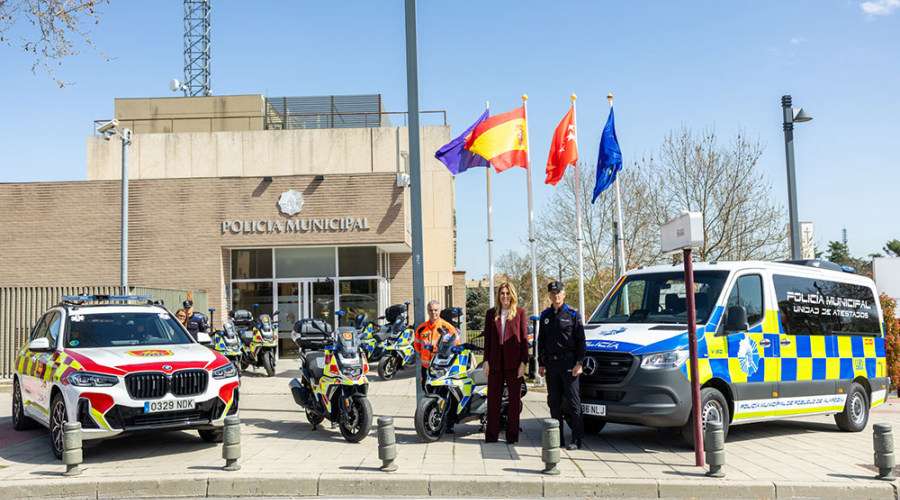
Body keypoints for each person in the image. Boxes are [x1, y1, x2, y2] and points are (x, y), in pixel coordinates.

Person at [538, 281, 586, 450]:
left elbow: (581, 340)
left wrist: (579, 363)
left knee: (573, 402)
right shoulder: (545, 316)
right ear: (549, 296)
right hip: (551, 363)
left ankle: (577, 439)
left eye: (558, 292)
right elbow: (541, 341)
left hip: (569, 362)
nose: (555, 295)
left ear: (564, 294)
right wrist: (541, 363)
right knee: (554, 402)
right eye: (552, 293)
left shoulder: (573, 314)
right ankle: (557, 438)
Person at [482, 282, 528, 444]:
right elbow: (487, 340)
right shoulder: (490, 314)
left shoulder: (520, 313)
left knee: (514, 401)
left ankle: (512, 436)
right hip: (494, 362)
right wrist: (485, 361)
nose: (505, 296)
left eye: (508, 293)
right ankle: (491, 435)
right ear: (498, 296)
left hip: (513, 363)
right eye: (502, 293)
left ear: (512, 295)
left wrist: (523, 363)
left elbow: (523, 340)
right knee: (493, 400)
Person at [414, 301, 459, 393]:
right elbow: (417, 346)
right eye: (431, 310)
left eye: (435, 310)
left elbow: (456, 344)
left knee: (441, 392)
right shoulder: (421, 328)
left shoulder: (447, 327)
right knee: (426, 389)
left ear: (439, 311)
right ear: (428, 311)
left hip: (441, 367)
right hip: (426, 367)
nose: (433, 312)